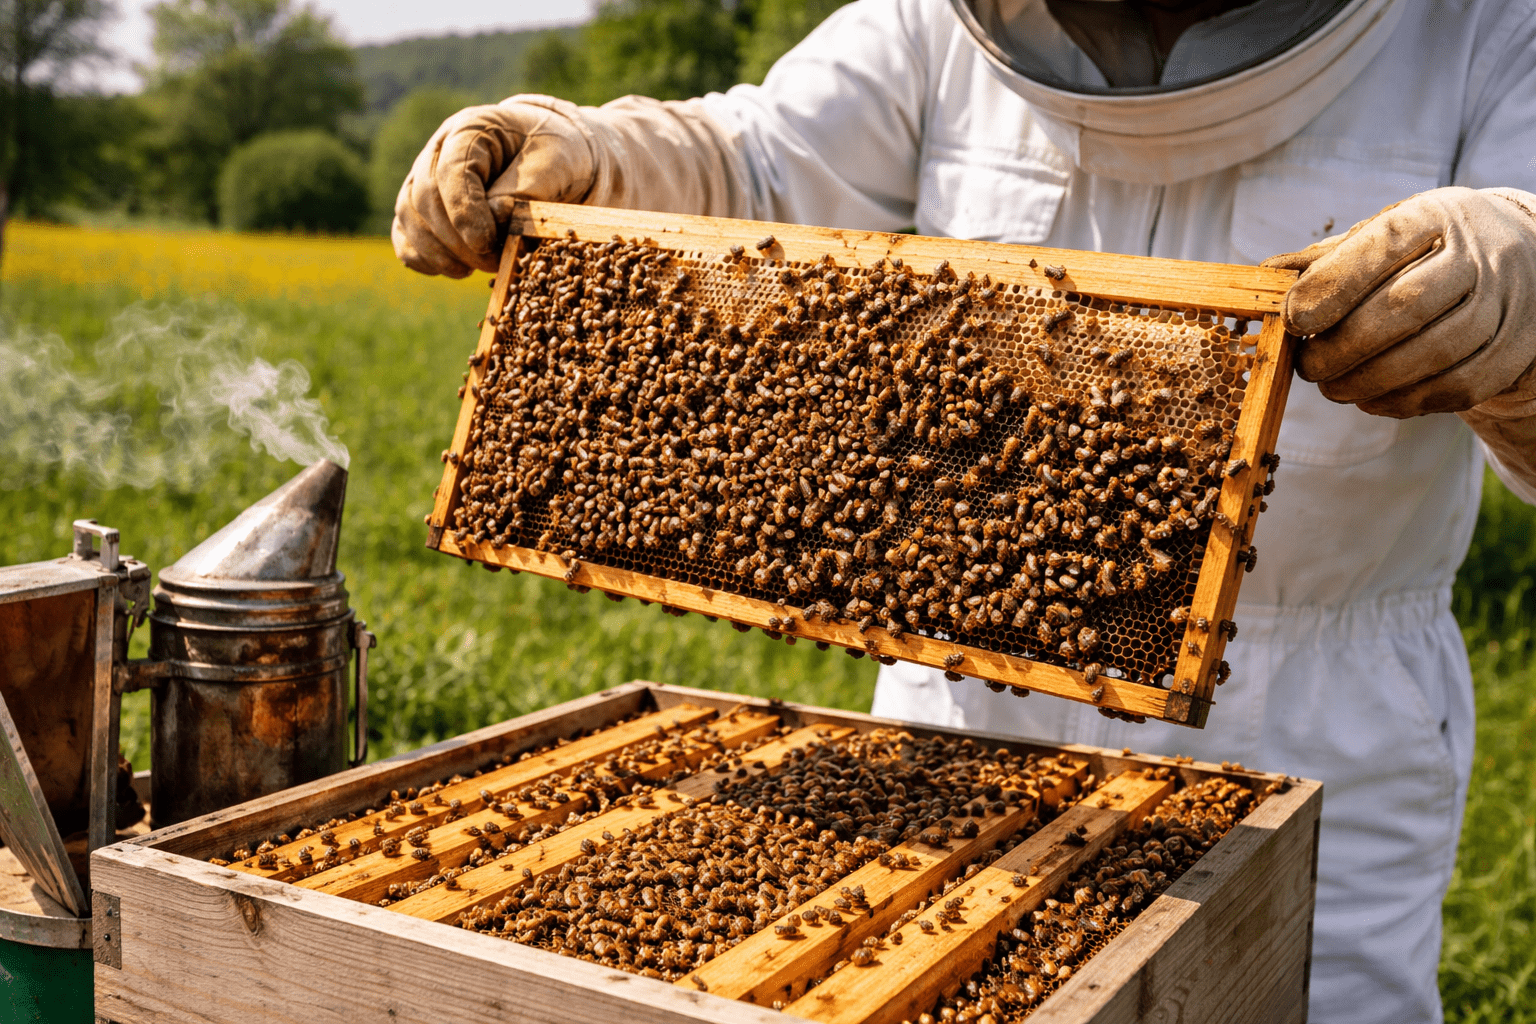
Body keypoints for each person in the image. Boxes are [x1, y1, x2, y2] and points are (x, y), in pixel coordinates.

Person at [391, 1, 1536, 1019]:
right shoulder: (932, 28)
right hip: (946, 743)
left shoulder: (1487, 31)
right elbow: (752, 169)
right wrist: (591, 150)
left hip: (1313, 731)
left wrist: (1523, 306)